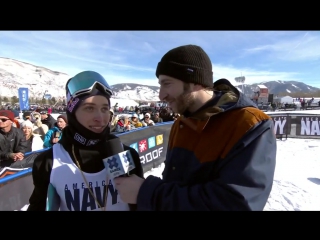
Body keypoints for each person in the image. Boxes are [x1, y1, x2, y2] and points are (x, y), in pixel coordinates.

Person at [114, 44, 277, 211]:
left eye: (167, 84)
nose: (161, 95)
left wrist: (147, 192)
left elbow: (235, 203)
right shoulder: (181, 123)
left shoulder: (250, 125)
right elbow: (175, 184)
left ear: (196, 83)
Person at [27, 71, 143, 211]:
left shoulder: (126, 155)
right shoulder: (48, 161)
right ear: (72, 112)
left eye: (104, 109)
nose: (100, 118)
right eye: (89, 108)